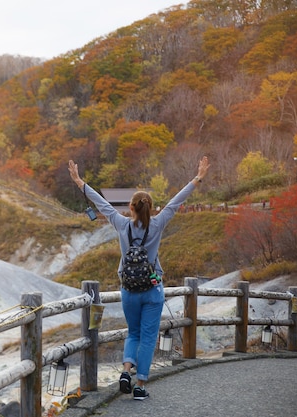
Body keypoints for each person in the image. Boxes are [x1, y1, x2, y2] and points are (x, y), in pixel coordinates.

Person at [68, 156, 210, 401]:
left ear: (131, 208)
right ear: (151, 208)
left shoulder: (121, 224)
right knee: (147, 337)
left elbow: (101, 204)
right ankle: (140, 385)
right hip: (153, 290)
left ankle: (126, 371)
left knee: (133, 333)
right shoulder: (158, 223)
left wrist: (79, 181)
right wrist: (198, 177)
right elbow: (177, 201)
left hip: (129, 291)